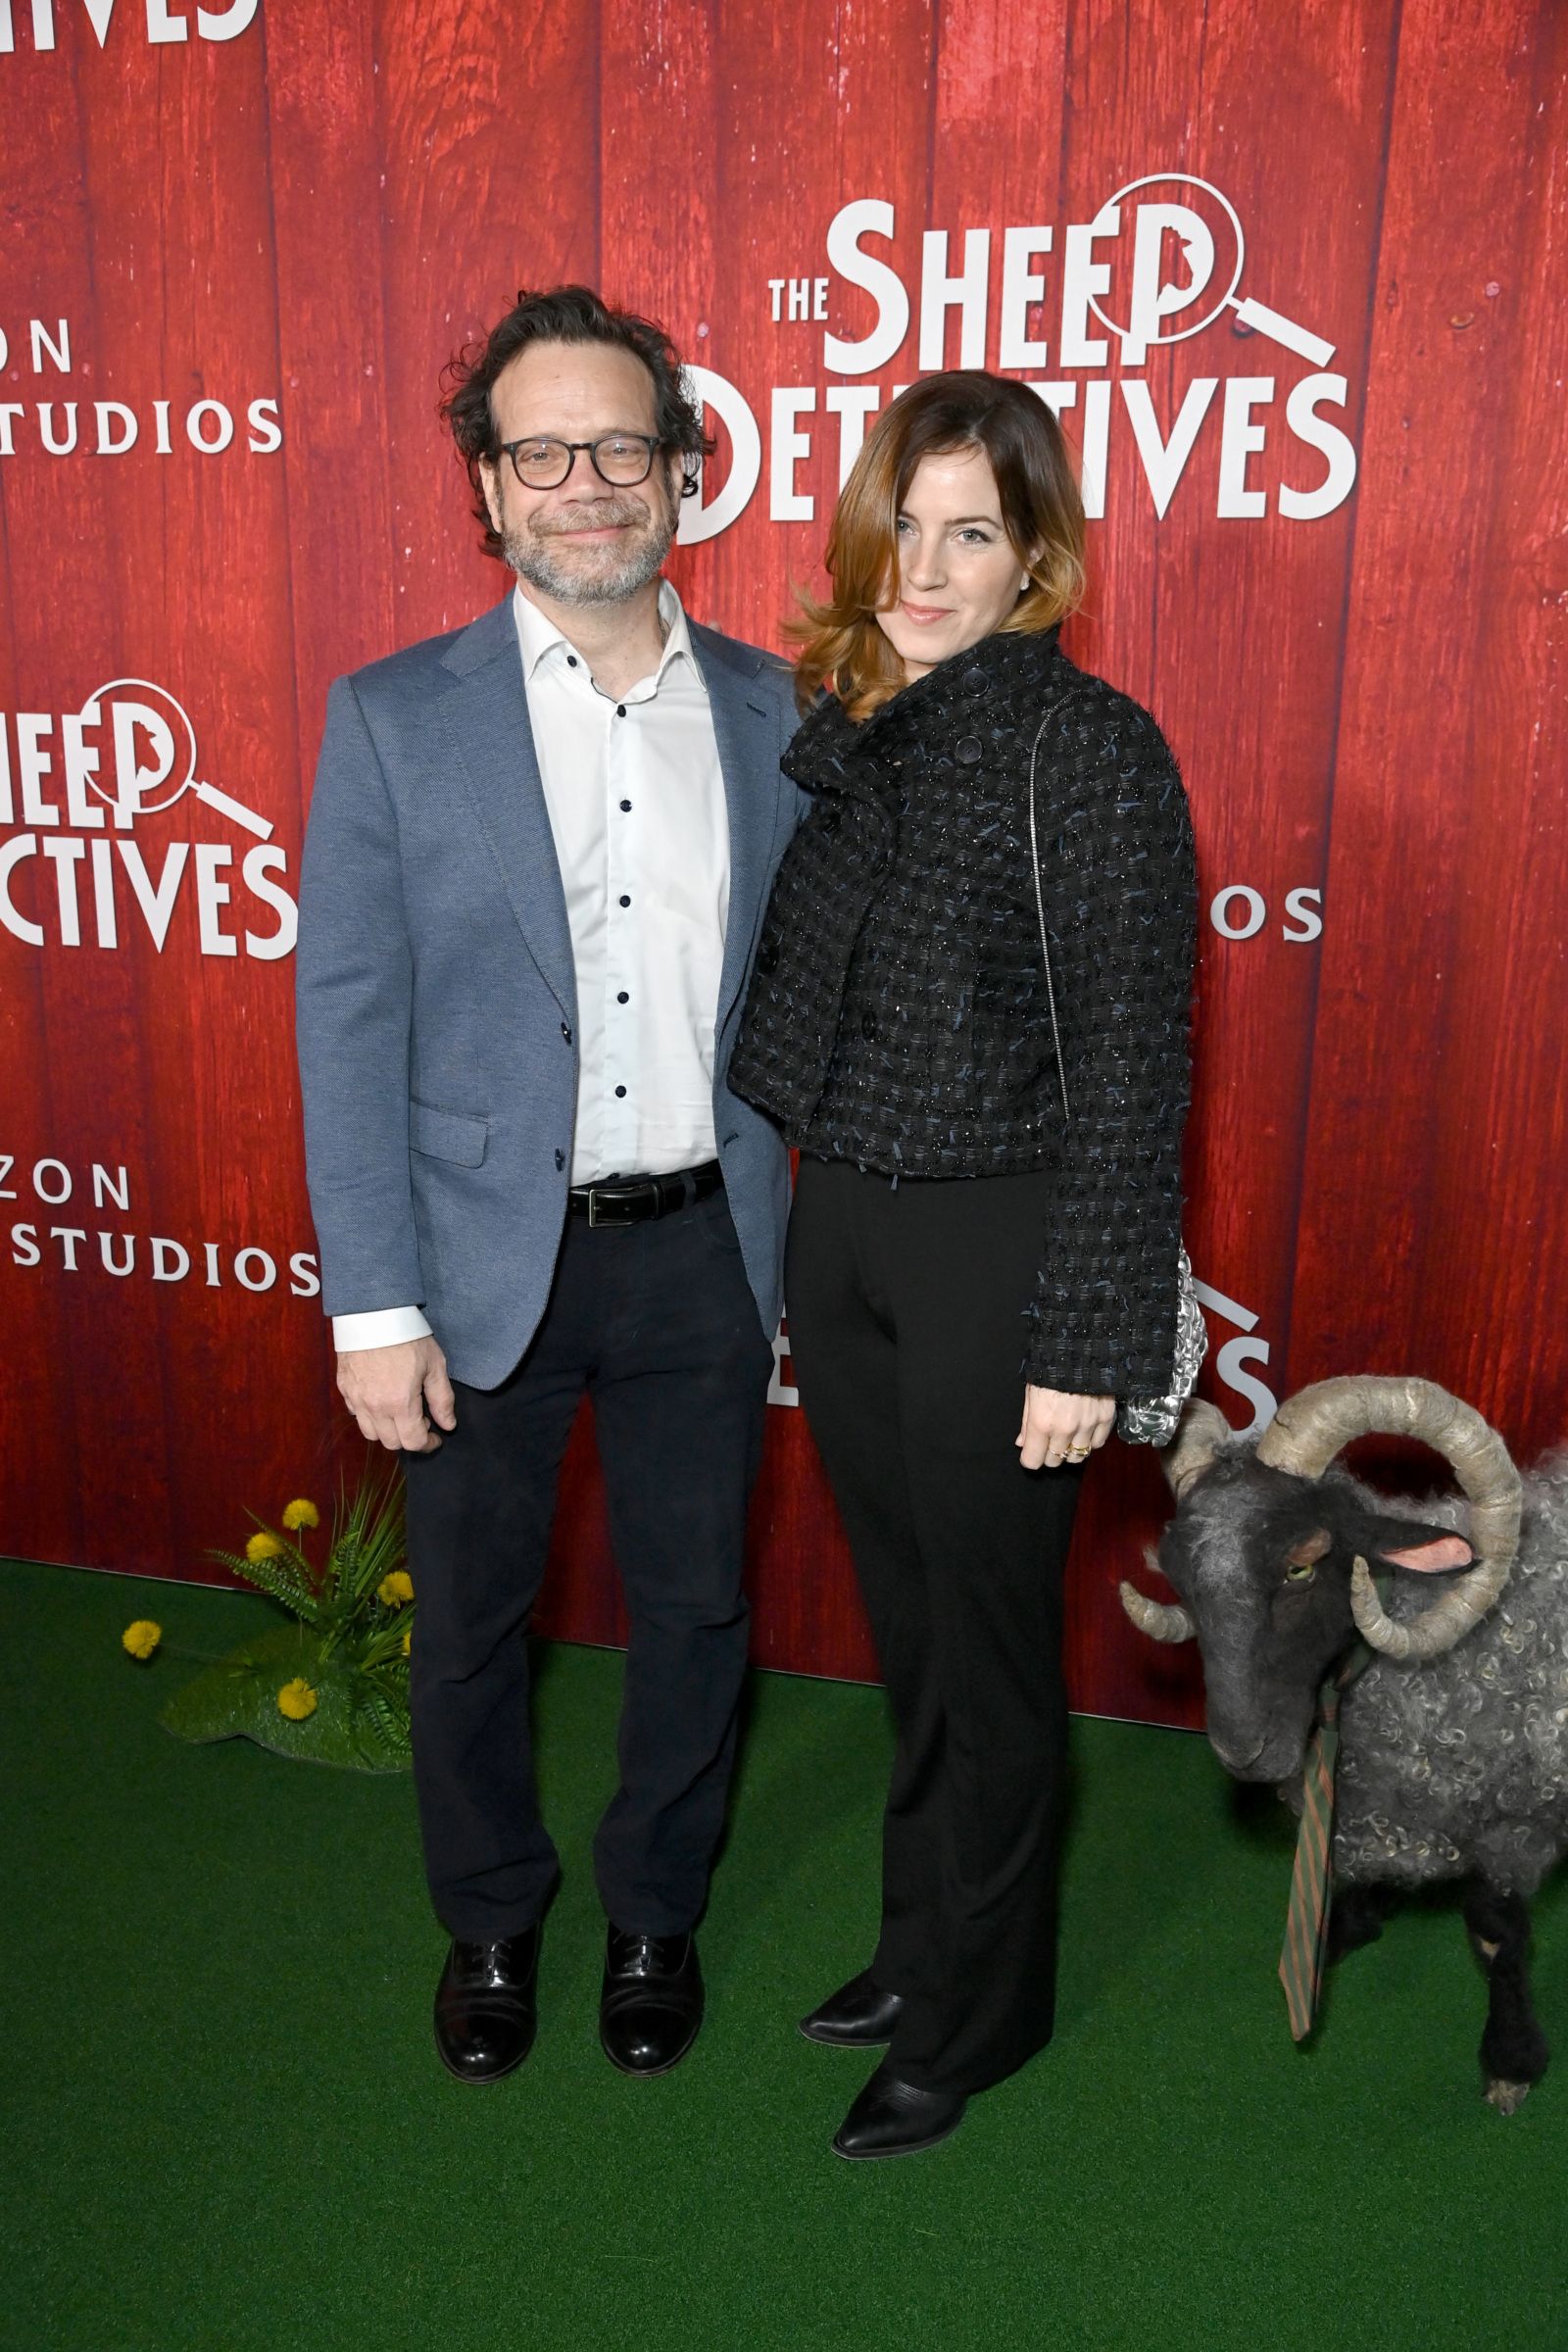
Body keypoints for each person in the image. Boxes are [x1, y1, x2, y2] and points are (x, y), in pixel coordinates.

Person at [295, 286, 801, 2085]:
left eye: (619, 446)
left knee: (698, 1609)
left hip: (708, 1253)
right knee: (472, 1628)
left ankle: (657, 1907)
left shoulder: (777, 711)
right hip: (473, 1260)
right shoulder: (391, 720)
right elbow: (348, 1020)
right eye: (540, 453)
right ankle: (492, 1919)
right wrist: (374, 1303)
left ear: (682, 471)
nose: (584, 483)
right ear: (487, 489)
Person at [729, 370, 1198, 2160]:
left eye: (971, 534)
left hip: (1003, 1244)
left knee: (991, 1651)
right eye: (903, 529)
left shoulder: (1091, 751)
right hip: (846, 1223)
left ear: (1036, 558)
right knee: (914, 1627)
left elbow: (1136, 1068)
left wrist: (1085, 1337)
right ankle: (919, 1947)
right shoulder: (870, 727)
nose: (924, 570)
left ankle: (979, 2020)